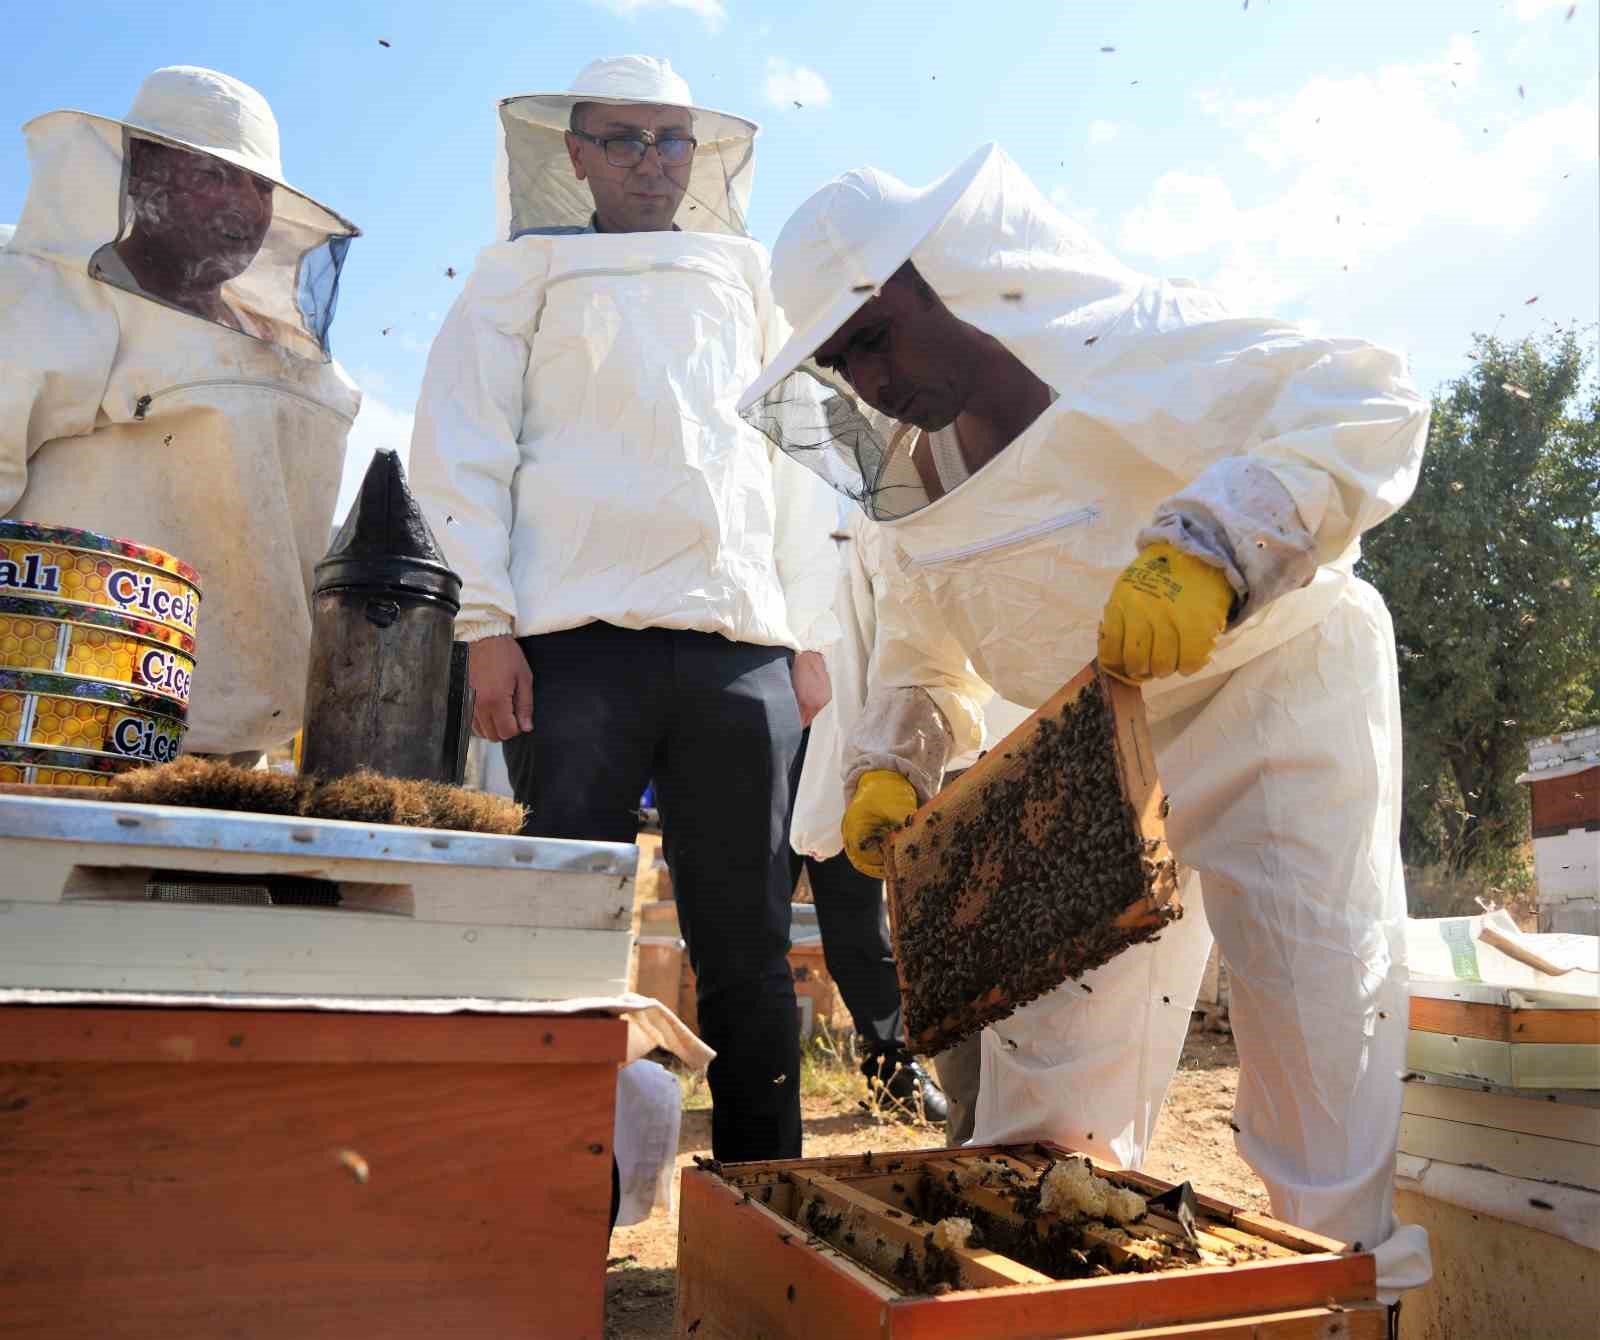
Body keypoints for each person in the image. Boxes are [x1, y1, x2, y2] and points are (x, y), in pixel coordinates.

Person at [739, 144, 1432, 1300]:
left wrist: (1212, 546)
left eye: (875, 334)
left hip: (1275, 692)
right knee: (1044, 1106)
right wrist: (892, 763)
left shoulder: (1138, 339)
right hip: (1088, 756)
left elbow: (1367, 396)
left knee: (1321, 1054)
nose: (865, 379)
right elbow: (923, 650)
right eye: (836, 360)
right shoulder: (911, 484)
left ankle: (1347, 1309)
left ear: (952, 275)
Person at [411, 57, 840, 1164]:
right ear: (575, 153)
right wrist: (485, 622)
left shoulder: (744, 272)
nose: (650, 160)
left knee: (746, 946)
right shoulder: (522, 270)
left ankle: (768, 1208)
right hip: (571, 647)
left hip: (739, 649)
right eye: (623, 138)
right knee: (565, 937)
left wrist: (810, 636)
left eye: (670, 139)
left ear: (698, 156)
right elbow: (465, 446)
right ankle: (558, 1209)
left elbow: (797, 462)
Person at [1, 66, 361, 758]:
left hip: (232, 736)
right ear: (143, 171)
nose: (244, 205)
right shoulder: (40, 292)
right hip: (57, 716)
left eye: (260, 186)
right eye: (215, 174)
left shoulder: (278, 350)